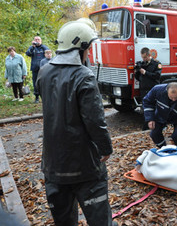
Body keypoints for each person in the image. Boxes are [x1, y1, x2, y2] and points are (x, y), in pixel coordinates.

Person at [36, 20, 115, 226]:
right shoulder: (84, 76)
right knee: (100, 221)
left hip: (53, 166)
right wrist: (106, 147)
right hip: (85, 167)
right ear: (80, 48)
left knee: (63, 222)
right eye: (88, 49)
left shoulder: (44, 72)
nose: (89, 54)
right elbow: (95, 121)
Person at [143, 82, 177, 153]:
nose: (174, 99)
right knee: (154, 133)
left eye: (176, 97)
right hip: (161, 114)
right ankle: (164, 149)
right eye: (171, 97)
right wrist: (150, 119)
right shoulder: (157, 90)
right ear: (167, 91)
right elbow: (147, 101)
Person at [134, 47, 162, 130]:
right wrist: (137, 71)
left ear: (149, 55)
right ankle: (147, 125)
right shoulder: (142, 64)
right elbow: (138, 77)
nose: (144, 59)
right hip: (143, 89)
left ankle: (157, 125)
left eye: (145, 57)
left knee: (154, 107)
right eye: (142, 57)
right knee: (145, 108)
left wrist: (145, 73)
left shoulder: (157, 64)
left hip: (152, 88)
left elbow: (157, 76)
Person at [26, 36, 49, 103]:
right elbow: (28, 53)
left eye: (38, 39)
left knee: (44, 82)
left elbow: (49, 53)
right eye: (36, 39)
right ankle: (36, 98)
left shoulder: (44, 47)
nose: (37, 41)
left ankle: (45, 97)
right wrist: (32, 47)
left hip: (43, 69)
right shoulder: (32, 48)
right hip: (35, 69)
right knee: (35, 83)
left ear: (41, 41)